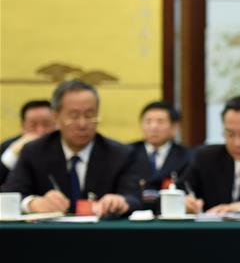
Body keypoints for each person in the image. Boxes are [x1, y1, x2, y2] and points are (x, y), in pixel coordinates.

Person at [1, 81, 140, 217]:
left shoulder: (120, 154)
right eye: (74, 116)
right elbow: (10, 194)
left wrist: (121, 201)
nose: (82, 124)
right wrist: (32, 203)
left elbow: (134, 198)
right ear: (56, 117)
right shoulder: (34, 151)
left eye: (90, 115)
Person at [130, 100, 192, 192]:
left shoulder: (187, 156)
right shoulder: (128, 153)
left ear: (175, 127)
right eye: (148, 121)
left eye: (160, 122)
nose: (153, 127)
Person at [0, 100, 56, 185]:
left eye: (46, 124)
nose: (40, 131)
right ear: (23, 126)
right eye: (33, 125)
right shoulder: (8, 146)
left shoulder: (65, 144)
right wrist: (12, 154)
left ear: (57, 124)